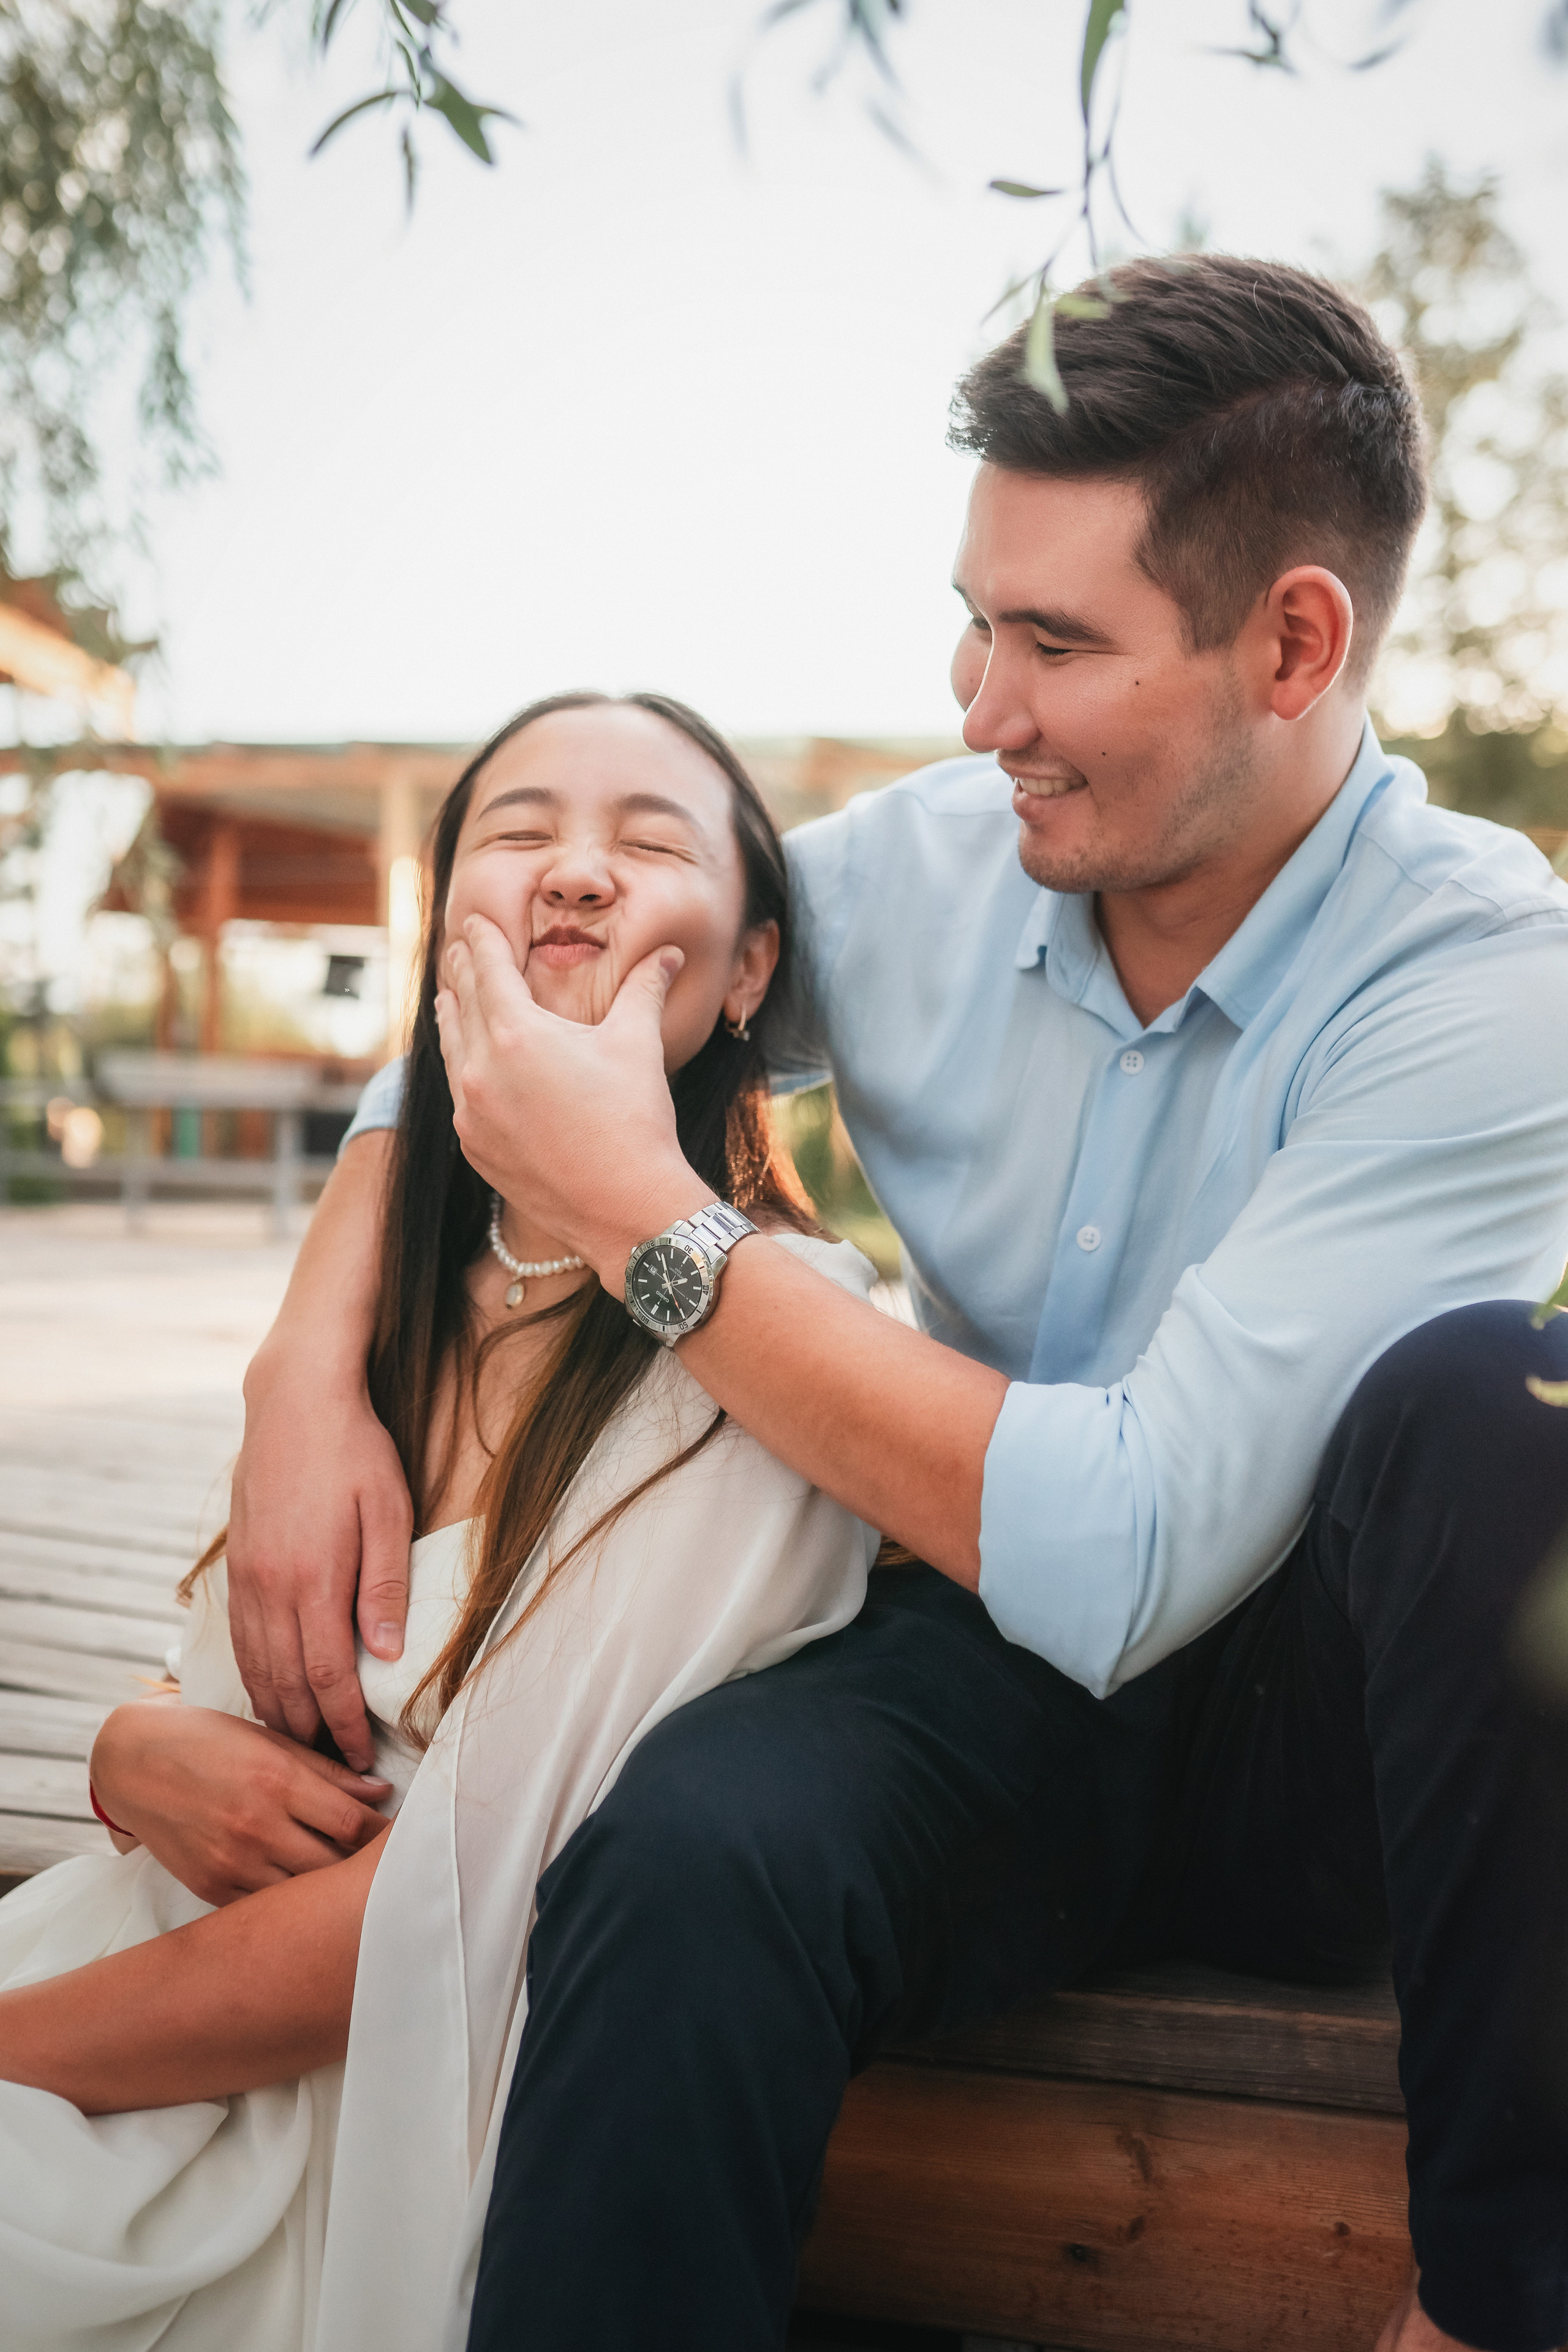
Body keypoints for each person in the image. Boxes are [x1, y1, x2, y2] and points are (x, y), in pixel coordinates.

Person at [230, 258, 1568, 2352]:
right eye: (976, 618)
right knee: (684, 1857)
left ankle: (1503, 2300)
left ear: (1296, 644)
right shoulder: (925, 867)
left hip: (1328, 1733)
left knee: (1508, 1405)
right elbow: (529, 1021)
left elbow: (1134, 1543)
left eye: (1056, 643)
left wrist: (657, 1222)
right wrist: (302, 1369)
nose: (978, 708)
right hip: (975, 1659)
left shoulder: (1482, 973)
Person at [0, 692, 882, 2352]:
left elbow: (453, 1894)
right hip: (119, 1973)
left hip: (333, 2099)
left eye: (650, 842)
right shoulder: (383, 1300)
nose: (576, 872)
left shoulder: (782, 1342)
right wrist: (135, 1744)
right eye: (520, 831)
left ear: (752, 969)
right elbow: (243, 1689)